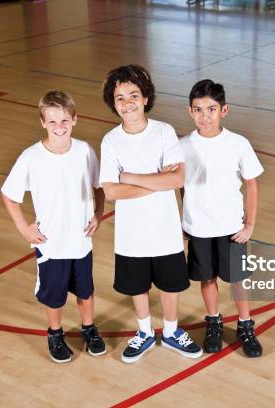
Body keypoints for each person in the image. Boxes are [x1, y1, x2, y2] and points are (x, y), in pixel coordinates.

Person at [99, 65, 202, 363]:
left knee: (171, 285)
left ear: (145, 98)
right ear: (113, 103)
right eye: (120, 98)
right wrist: (155, 179)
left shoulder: (164, 132)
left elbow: (176, 180)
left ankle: (171, 331)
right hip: (131, 234)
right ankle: (144, 331)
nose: (127, 102)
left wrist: (129, 176)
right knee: (137, 286)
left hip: (165, 229)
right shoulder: (110, 141)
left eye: (133, 95)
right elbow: (111, 192)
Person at [1, 90, 106, 363]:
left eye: (64, 120)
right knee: (54, 295)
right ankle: (55, 334)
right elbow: (9, 195)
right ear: (42, 122)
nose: (59, 127)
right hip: (51, 244)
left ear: (74, 120)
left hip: (81, 239)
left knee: (86, 290)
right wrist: (24, 228)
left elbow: (99, 186)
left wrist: (98, 213)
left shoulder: (84, 151)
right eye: (52, 121)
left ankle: (89, 329)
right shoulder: (31, 157)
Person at [180, 79, 264, 357]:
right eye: (199, 109)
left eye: (211, 109)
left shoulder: (238, 144)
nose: (205, 116)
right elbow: (179, 185)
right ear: (190, 111)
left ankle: (244, 324)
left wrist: (249, 224)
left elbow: (252, 183)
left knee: (238, 279)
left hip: (232, 228)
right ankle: (214, 321)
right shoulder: (182, 146)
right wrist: (184, 223)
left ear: (224, 110)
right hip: (198, 227)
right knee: (207, 278)